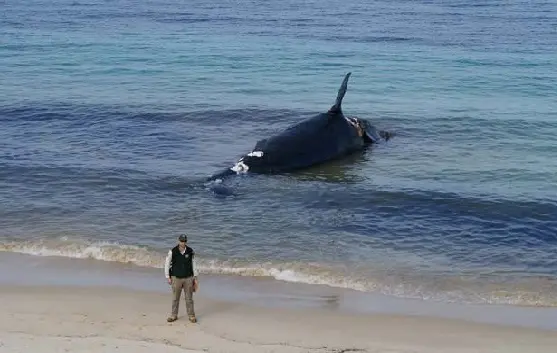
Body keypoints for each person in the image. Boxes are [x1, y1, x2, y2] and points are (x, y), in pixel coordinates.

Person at [164, 234, 198, 323]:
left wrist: (195, 277)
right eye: (181, 241)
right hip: (176, 277)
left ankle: (191, 316)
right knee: (175, 298)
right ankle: (173, 315)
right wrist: (167, 276)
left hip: (188, 278)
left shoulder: (190, 251)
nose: (183, 243)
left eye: (184, 241)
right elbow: (167, 264)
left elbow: (193, 263)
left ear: (186, 241)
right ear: (178, 241)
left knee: (189, 298)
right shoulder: (172, 251)